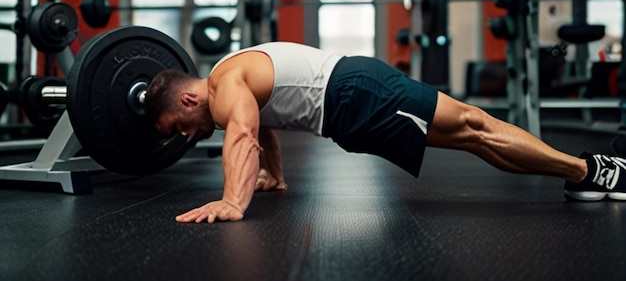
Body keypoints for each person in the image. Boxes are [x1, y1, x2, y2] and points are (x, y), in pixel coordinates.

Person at [144, 42, 626, 224]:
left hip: (356, 92)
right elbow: (263, 128)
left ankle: (592, 171)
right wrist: (273, 176)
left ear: (187, 99)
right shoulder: (230, 80)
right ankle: (585, 172)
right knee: (474, 135)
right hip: (348, 111)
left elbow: (246, 134)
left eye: (179, 127)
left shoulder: (224, 86)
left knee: (474, 128)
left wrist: (233, 201)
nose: (187, 136)